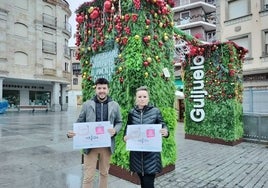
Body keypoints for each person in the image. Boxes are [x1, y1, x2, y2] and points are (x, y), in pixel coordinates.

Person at [67, 78, 122, 188]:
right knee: (88, 176)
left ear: (108, 90)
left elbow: (119, 122)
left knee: (104, 174)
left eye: (104, 88)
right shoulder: (87, 104)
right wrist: (72, 133)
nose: (102, 91)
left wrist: (115, 130)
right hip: (90, 146)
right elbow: (80, 122)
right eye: (99, 88)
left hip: (106, 146)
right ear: (96, 89)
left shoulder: (114, 105)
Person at [124, 86, 169, 188]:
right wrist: (125, 137)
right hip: (137, 156)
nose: (142, 98)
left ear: (148, 98)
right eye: (139, 96)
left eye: (144, 96)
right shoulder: (132, 113)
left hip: (151, 156)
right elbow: (128, 128)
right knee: (143, 183)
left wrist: (165, 131)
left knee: (148, 184)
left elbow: (163, 124)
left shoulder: (155, 111)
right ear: (136, 98)